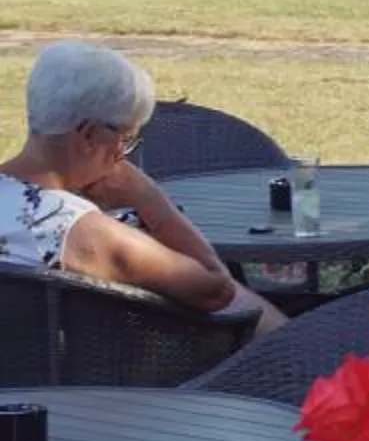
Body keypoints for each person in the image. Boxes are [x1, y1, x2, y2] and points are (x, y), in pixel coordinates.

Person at [0, 42, 285, 332]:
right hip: (103, 372)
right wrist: (150, 200)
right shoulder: (76, 229)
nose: (123, 156)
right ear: (88, 135)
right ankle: (302, 368)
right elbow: (217, 289)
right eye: (125, 139)